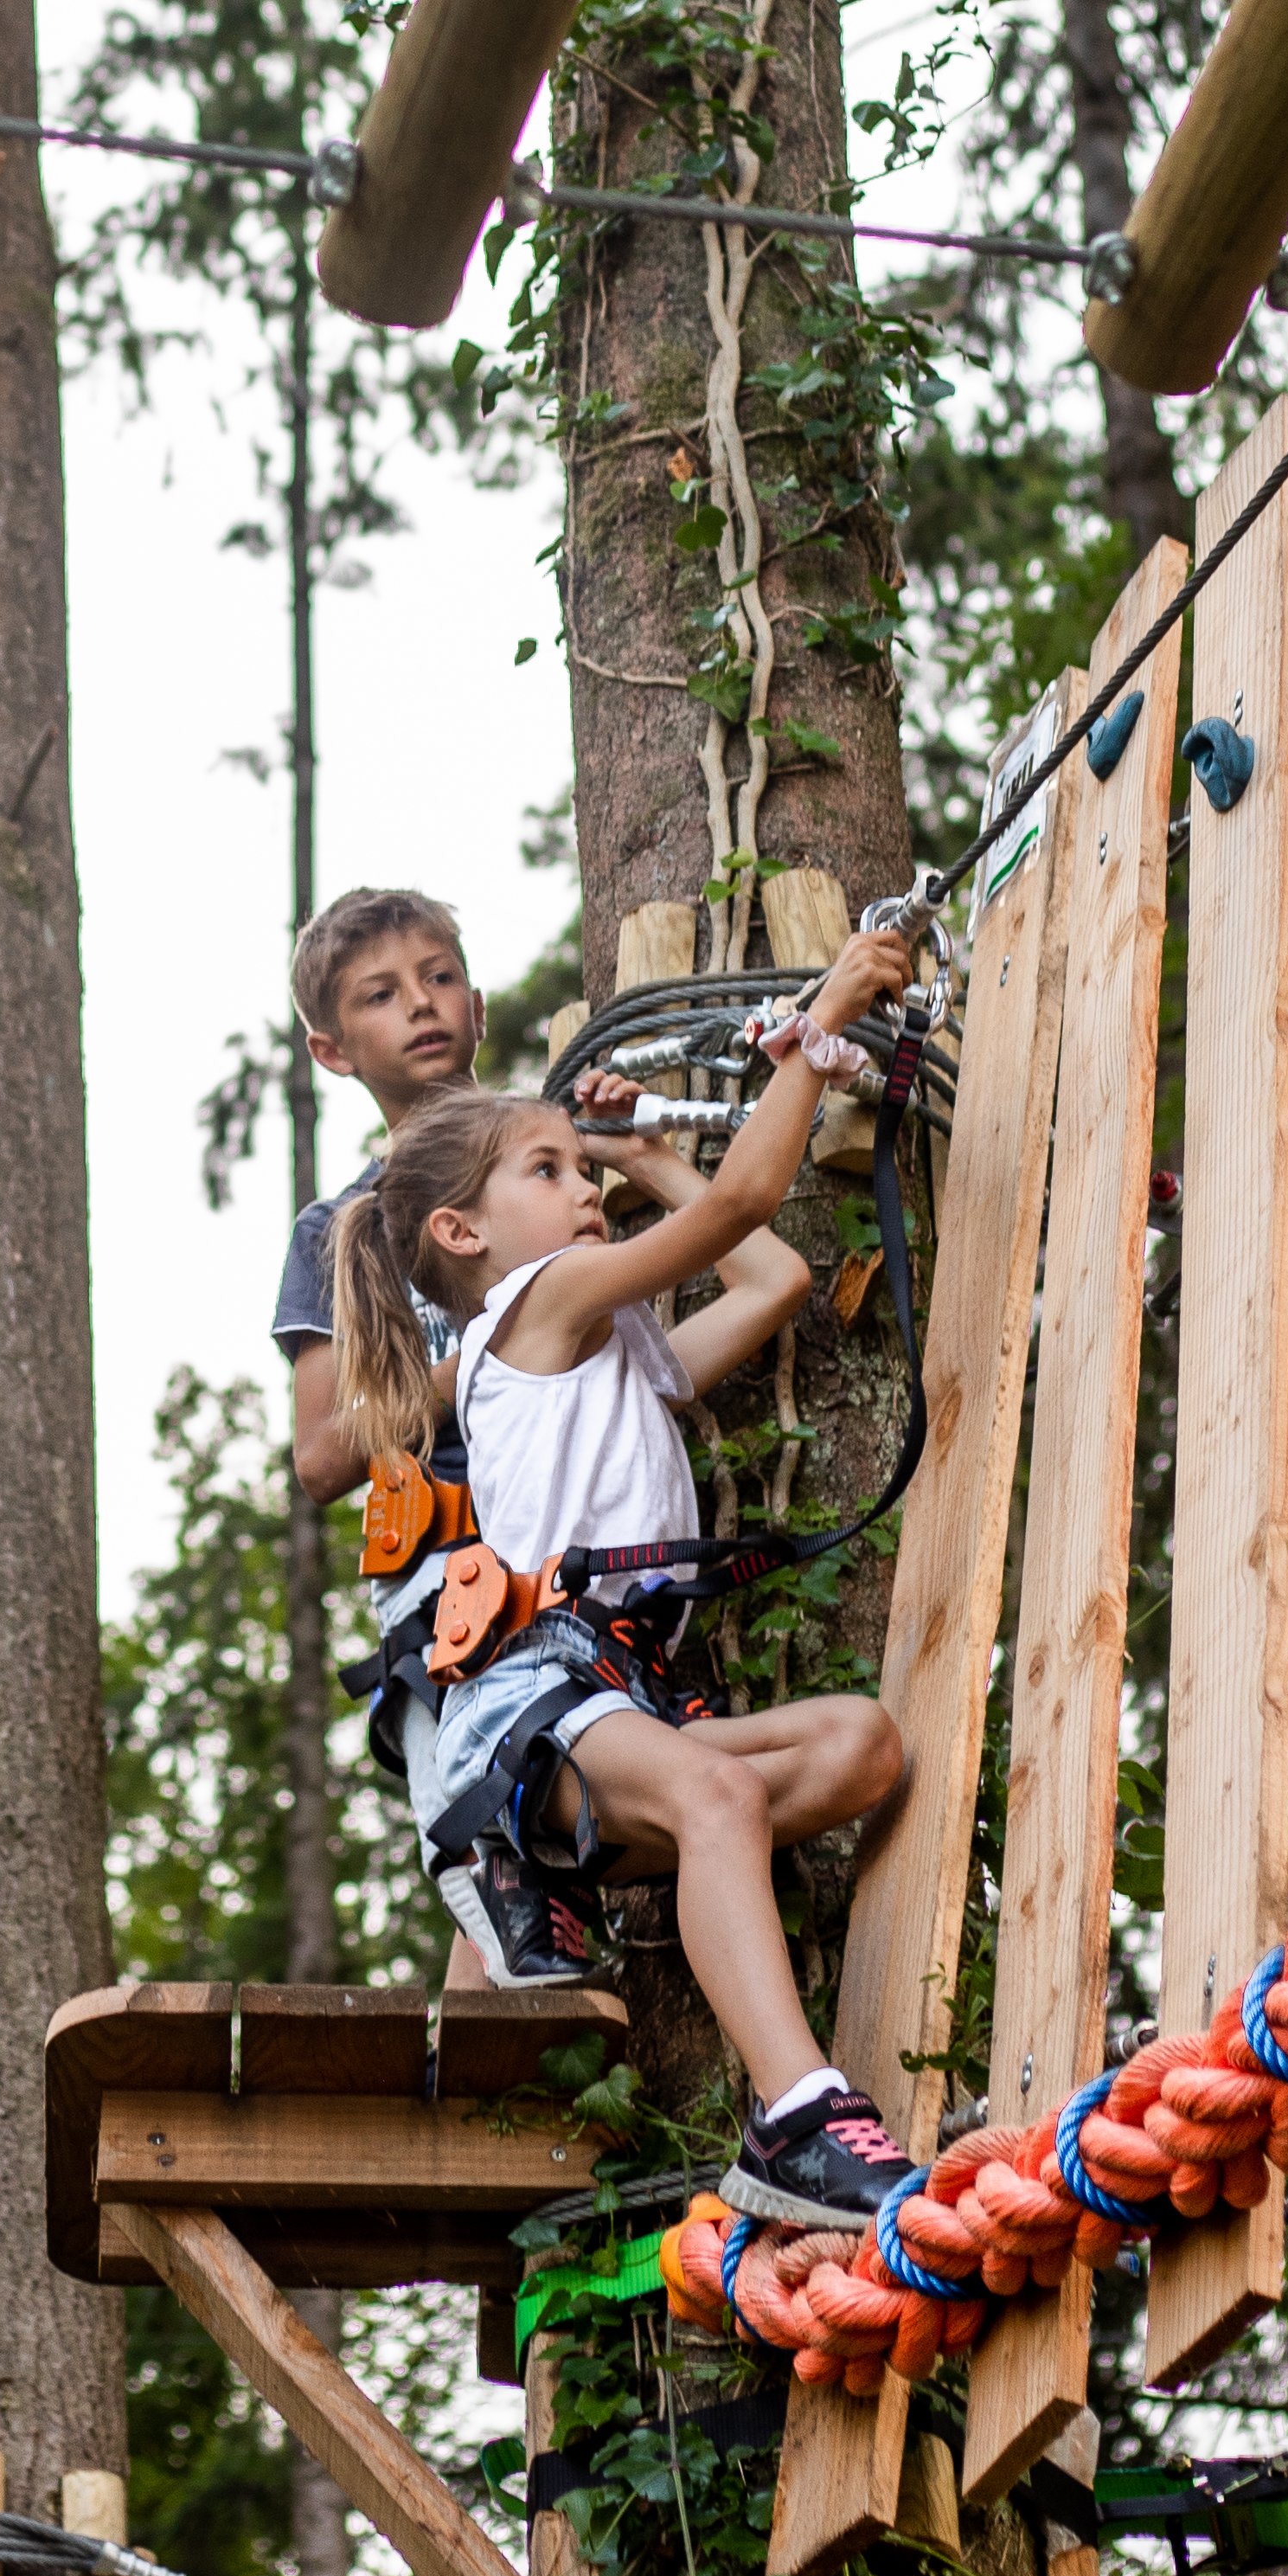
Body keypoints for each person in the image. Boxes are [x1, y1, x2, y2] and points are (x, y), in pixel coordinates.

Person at [328, 927, 924, 2233]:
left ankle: (593, 1862)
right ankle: (797, 2112)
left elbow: (768, 1278)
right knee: (716, 1786)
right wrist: (815, 1023)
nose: (581, 1185)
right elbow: (737, 1214)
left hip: (620, 1698)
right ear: (462, 1231)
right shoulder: (531, 1305)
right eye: (548, 1167)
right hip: (541, 1695)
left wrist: (640, 1153)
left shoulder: (606, 1344)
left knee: (859, 1745)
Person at [271, 886, 590, 1988]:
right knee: (497, 1862)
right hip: (450, 1582)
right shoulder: (341, 1231)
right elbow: (319, 1457)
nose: (422, 1003)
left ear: (480, 1003)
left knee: (567, 1849)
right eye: (381, 994)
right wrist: (475, 1364)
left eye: (440, 976)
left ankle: (480, 2109)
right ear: (330, 1048)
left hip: (583, 1538)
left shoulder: (556, 1165)